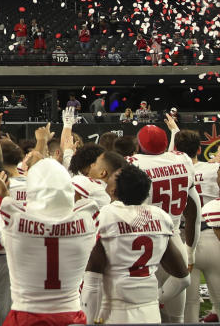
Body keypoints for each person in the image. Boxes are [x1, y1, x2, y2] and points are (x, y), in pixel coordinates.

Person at [0, 157, 99, 326]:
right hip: (71, 316)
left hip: (25, 316)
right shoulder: (88, 217)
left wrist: (0, 198)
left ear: (31, 190)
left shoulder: (13, 218)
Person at [82, 164, 189, 323]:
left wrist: (88, 320)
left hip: (114, 313)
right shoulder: (161, 217)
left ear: (113, 191)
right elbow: (183, 279)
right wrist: (155, 297)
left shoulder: (105, 217)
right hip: (150, 313)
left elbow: (92, 282)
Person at [126, 124, 200, 322]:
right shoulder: (183, 160)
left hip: (140, 247)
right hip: (174, 240)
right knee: (176, 319)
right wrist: (190, 250)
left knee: (140, 316)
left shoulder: (132, 163)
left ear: (139, 145)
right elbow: (194, 211)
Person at [174, 128, 220, 321]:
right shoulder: (212, 169)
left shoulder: (174, 172)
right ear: (199, 150)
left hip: (185, 239)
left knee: (189, 304)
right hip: (213, 236)